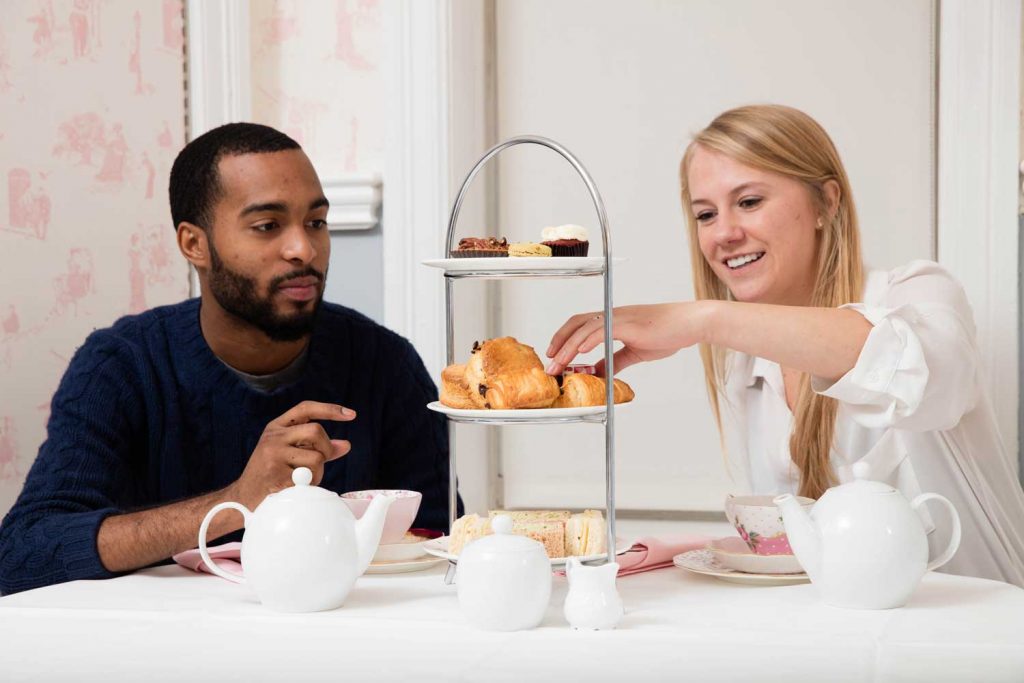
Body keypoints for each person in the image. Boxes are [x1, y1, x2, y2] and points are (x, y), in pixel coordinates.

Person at [546, 105, 1024, 587]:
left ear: (827, 202)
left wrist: (704, 318)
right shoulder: (749, 365)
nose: (725, 233)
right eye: (706, 214)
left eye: (749, 201)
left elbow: (922, 372)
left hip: (976, 638)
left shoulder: (919, 294)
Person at [0, 123, 458, 595]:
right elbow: (22, 554)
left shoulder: (383, 361)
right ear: (194, 244)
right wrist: (238, 501)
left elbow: (447, 543)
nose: (304, 249)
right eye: (267, 226)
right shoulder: (121, 366)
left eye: (316, 222)